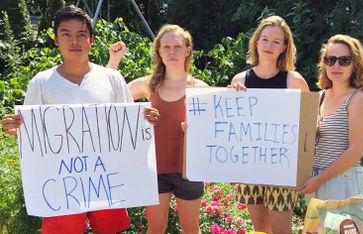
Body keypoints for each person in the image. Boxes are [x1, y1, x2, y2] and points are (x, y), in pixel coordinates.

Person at [0, 5, 157, 234]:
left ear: (91, 40)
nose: (75, 41)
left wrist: (146, 119)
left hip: (108, 180)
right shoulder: (41, 82)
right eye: (66, 34)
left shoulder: (112, 78)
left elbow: (128, 127)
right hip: (60, 184)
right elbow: (32, 133)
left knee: (110, 230)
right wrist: (15, 129)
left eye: (81, 34)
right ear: (56, 40)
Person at [108, 24, 208, 234]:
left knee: (191, 229)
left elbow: (214, 131)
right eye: (166, 47)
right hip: (154, 170)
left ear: (188, 50)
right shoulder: (147, 85)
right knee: (155, 228)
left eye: (177, 47)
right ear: (159, 51)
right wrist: (114, 61)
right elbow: (109, 97)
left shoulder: (201, 89)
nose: (172, 52)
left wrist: (197, 130)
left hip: (190, 171)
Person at [230, 16, 309, 234]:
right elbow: (231, 128)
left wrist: (303, 169)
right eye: (265, 39)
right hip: (249, 168)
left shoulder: (295, 81)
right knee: (261, 229)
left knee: (282, 230)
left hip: (282, 169)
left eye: (276, 41)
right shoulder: (239, 80)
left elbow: (308, 129)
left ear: (284, 47)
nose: (269, 45)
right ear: (256, 42)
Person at [301, 34, 363, 206]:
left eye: (344, 60)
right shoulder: (318, 97)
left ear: (356, 64)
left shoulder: (358, 98)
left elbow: (356, 150)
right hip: (314, 181)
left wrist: (320, 179)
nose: (336, 65)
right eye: (330, 60)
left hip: (344, 182)